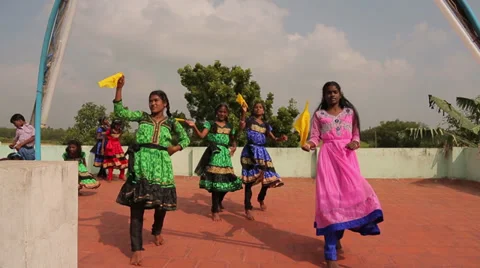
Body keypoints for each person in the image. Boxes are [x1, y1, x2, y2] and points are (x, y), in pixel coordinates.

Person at [301, 81, 384, 268]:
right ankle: (330, 255)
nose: (332, 95)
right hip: (328, 160)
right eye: (328, 92)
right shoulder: (319, 115)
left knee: (349, 198)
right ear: (324, 95)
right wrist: (309, 145)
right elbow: (315, 137)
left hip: (347, 160)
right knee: (330, 201)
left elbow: (356, 135)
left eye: (335, 92)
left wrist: (355, 143)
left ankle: (337, 235)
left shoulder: (350, 113)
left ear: (340, 93)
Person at [113, 76, 190, 266]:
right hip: (140, 164)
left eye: (156, 100)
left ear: (164, 104)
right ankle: (137, 248)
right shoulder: (142, 117)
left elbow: (186, 138)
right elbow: (121, 113)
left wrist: (175, 148)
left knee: (161, 204)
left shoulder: (172, 123)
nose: (152, 103)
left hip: (161, 165)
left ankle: (156, 230)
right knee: (137, 206)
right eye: (150, 100)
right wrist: (119, 89)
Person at [186, 103, 243, 221]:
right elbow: (201, 136)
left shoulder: (230, 126)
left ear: (227, 113)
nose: (222, 114)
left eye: (224, 112)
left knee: (229, 181)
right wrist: (193, 126)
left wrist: (234, 147)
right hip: (214, 153)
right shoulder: (210, 124)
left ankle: (219, 202)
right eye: (220, 111)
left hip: (225, 156)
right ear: (217, 112)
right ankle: (214, 210)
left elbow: (233, 139)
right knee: (216, 183)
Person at [239, 101, 287, 221]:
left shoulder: (266, 125)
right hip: (250, 151)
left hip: (262, 152)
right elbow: (241, 126)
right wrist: (243, 113)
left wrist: (281, 139)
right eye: (256, 107)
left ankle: (261, 198)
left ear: (263, 110)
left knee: (267, 178)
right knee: (249, 181)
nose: (258, 109)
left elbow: (273, 138)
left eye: (260, 107)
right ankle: (248, 208)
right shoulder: (249, 120)